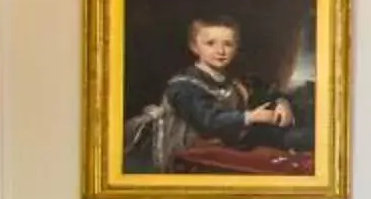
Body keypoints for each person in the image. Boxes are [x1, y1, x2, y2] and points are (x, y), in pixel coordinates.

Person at [124, 16, 306, 171]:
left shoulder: (235, 81)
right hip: (189, 156)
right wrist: (251, 116)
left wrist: (282, 103)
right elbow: (209, 121)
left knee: (299, 140)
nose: (220, 51)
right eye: (210, 43)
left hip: (227, 147)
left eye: (228, 44)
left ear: (236, 48)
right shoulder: (183, 87)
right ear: (194, 47)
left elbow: (266, 93)